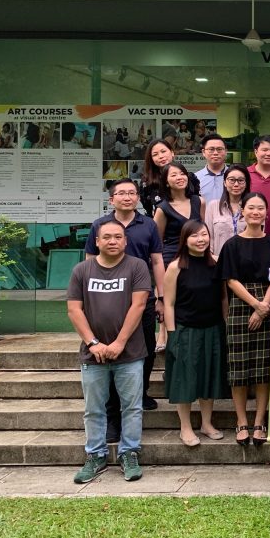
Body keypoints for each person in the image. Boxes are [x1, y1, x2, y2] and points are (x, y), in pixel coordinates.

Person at [67, 219, 151, 484]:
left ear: (125, 241)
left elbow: (139, 306)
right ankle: (95, 455)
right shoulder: (82, 270)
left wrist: (119, 343)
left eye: (117, 236)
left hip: (130, 353)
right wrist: (94, 343)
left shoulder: (137, 266)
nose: (112, 241)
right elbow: (74, 310)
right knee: (93, 408)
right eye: (107, 237)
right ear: (97, 241)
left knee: (132, 407)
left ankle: (129, 453)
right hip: (93, 355)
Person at [84, 179, 165, 428]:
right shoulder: (100, 225)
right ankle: (112, 407)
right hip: (108, 298)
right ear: (112, 199)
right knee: (110, 349)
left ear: (138, 197)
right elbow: (90, 260)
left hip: (142, 296)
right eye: (121, 193)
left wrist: (161, 297)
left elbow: (157, 261)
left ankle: (142, 391)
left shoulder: (148, 224)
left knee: (146, 346)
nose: (127, 197)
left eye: (132, 193)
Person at [163, 220, 229, 447]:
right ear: (185, 239)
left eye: (204, 234)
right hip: (185, 330)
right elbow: (169, 304)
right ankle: (185, 427)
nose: (200, 240)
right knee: (185, 379)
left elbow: (223, 298)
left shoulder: (217, 263)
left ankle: (206, 423)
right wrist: (172, 334)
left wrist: (225, 325)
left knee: (209, 376)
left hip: (213, 328)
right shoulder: (175, 267)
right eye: (194, 236)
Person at [218, 192, 270, 448]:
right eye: (251, 207)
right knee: (238, 367)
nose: (255, 212)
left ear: (266, 213)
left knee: (264, 368)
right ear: (242, 211)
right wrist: (255, 305)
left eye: (260, 208)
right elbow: (230, 280)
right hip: (241, 305)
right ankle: (241, 421)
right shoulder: (232, 244)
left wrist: (264, 307)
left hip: (269, 302)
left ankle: (260, 421)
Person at [154, 161, 205, 267]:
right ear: (166, 182)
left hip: (197, 256)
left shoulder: (199, 201)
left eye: (182, 174)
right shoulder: (162, 209)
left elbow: (204, 230)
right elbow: (157, 242)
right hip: (172, 259)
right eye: (174, 175)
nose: (179, 177)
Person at [205, 165, 249, 258]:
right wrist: (211, 258)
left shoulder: (252, 207)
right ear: (225, 182)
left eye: (241, 180)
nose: (236, 184)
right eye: (232, 180)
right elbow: (208, 237)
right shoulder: (213, 206)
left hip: (246, 260)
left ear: (246, 183)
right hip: (219, 260)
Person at [195, 133, 229, 204]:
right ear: (203, 152)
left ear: (226, 151)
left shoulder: (234, 176)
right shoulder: (195, 178)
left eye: (219, 149)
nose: (215, 153)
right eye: (211, 149)